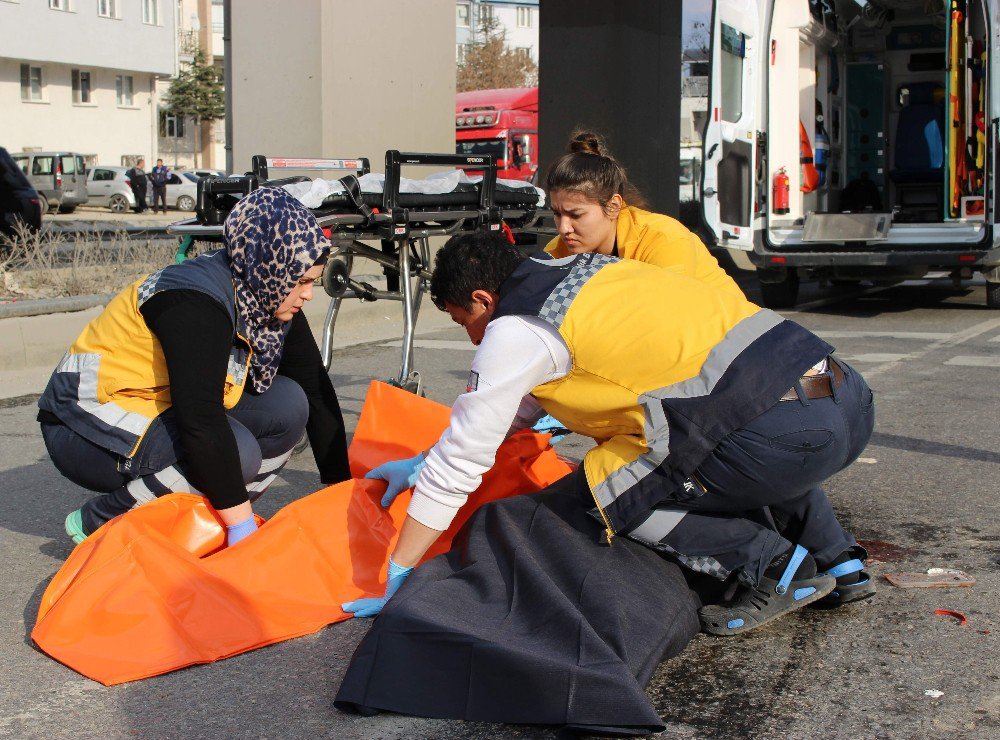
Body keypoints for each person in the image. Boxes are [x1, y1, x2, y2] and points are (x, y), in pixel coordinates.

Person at [344, 231, 876, 634]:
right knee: (718, 427)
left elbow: (461, 465)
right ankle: (841, 562)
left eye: (465, 322)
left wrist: (399, 571)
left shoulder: (515, 329)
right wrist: (423, 460)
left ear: (483, 300)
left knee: (607, 492)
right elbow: (516, 408)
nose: (472, 337)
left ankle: (773, 567)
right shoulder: (595, 271)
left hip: (777, 442)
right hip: (844, 401)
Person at [38, 187, 351, 547]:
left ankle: (213, 520)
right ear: (271, 265)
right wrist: (242, 528)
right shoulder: (194, 303)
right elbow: (200, 421)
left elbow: (314, 388)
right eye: (302, 281)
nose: (309, 293)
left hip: (158, 404)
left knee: (289, 403)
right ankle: (102, 521)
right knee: (238, 452)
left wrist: (340, 489)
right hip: (83, 424)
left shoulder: (264, 290)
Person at [544, 130, 744, 298]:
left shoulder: (664, 239)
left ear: (613, 206)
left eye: (576, 215)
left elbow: (663, 318)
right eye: (557, 214)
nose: (563, 228)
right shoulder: (557, 251)